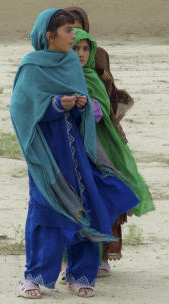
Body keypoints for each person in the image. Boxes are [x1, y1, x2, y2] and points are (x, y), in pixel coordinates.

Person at [10, 9, 139, 299]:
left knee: (83, 204)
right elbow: (21, 111)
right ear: (49, 35)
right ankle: (35, 276)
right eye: (68, 31)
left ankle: (80, 273)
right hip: (46, 151)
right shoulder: (31, 67)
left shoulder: (71, 62)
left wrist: (80, 103)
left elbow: (84, 107)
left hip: (76, 148)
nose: (74, 36)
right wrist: (55, 104)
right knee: (46, 208)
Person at [65, 6, 155, 265]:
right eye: (67, 27)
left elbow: (109, 93)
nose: (73, 35)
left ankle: (103, 253)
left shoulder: (96, 54)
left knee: (106, 189)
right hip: (69, 139)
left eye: (77, 25)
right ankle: (70, 256)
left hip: (103, 135)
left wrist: (99, 110)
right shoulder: (56, 62)